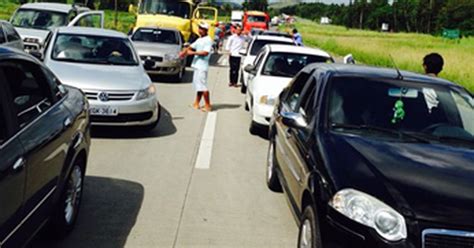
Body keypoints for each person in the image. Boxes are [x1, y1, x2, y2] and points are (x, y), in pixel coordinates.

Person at [179, 22, 213, 112]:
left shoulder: (208, 40)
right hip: (197, 65)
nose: (199, 30)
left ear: (206, 30)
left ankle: (208, 105)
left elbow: (206, 52)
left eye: (201, 29)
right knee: (199, 86)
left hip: (202, 66)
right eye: (199, 28)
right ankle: (196, 103)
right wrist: (184, 52)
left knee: (203, 86)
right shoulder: (199, 39)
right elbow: (190, 46)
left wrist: (193, 53)